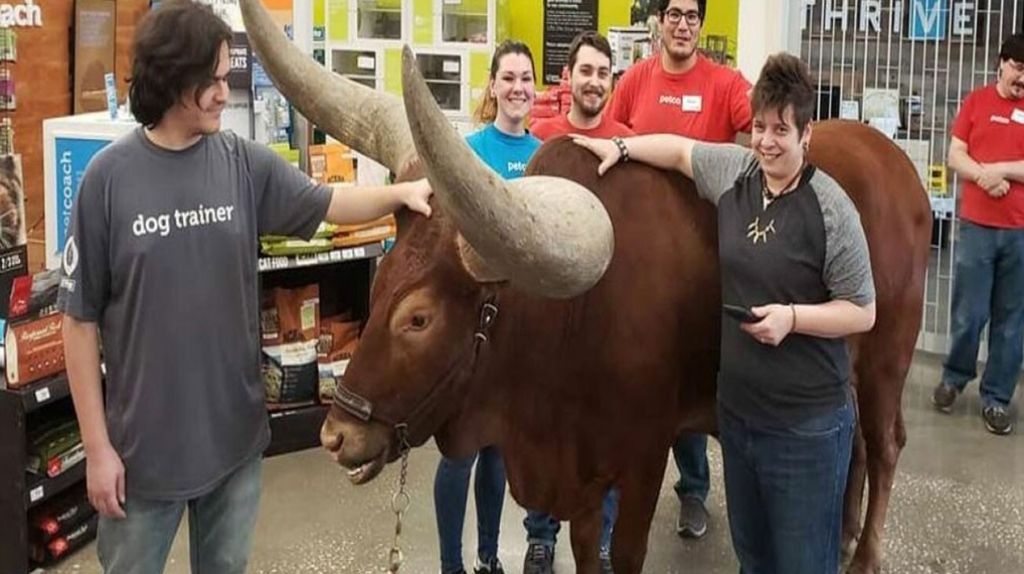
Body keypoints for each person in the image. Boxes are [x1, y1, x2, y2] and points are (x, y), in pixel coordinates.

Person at [57, 3, 432, 573]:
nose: (221, 91)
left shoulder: (241, 163)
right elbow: (78, 320)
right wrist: (98, 450)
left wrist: (397, 196)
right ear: (169, 75)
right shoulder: (106, 181)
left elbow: (325, 204)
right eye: (210, 78)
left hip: (235, 445)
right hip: (140, 458)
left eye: (225, 75)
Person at [573, 52, 875, 574]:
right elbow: (679, 150)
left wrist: (793, 319)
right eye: (759, 127)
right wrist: (617, 147)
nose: (766, 141)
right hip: (739, 419)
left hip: (807, 427)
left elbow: (862, 311)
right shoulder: (737, 173)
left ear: (807, 135)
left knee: (803, 564)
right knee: (753, 558)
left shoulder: (831, 207)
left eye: (781, 130)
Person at [606, 0, 753, 540]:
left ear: (701, 24)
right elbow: (613, 140)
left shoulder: (725, 82)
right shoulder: (635, 82)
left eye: (693, 15)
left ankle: (693, 491)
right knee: (634, 373)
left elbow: (758, 123)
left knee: (687, 373)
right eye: (675, 13)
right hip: (640, 259)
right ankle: (619, 488)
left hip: (704, 260)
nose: (684, 24)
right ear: (660, 22)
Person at [525, 31, 632, 574]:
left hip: (605, 324)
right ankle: (541, 536)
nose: (594, 81)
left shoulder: (628, 142)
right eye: (586, 71)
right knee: (547, 430)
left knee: (603, 435)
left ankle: (604, 535)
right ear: (568, 78)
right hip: (546, 324)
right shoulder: (540, 140)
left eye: (603, 73)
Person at [432, 39, 541, 574]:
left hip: (519, 337)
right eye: (509, 77)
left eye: (526, 78)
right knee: (459, 452)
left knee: (498, 449)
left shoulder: (547, 154)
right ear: (493, 85)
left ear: (535, 88)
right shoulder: (469, 151)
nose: (518, 87)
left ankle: (489, 558)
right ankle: (452, 565)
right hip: (472, 333)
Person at [932, 33, 1024, 435]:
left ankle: (997, 398)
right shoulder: (976, 102)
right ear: (1002, 63)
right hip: (977, 228)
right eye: (1019, 67)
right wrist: (986, 179)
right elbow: (954, 155)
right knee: (969, 314)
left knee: (1011, 321)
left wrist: (997, 171)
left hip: (1019, 231)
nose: (1023, 77)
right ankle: (954, 377)